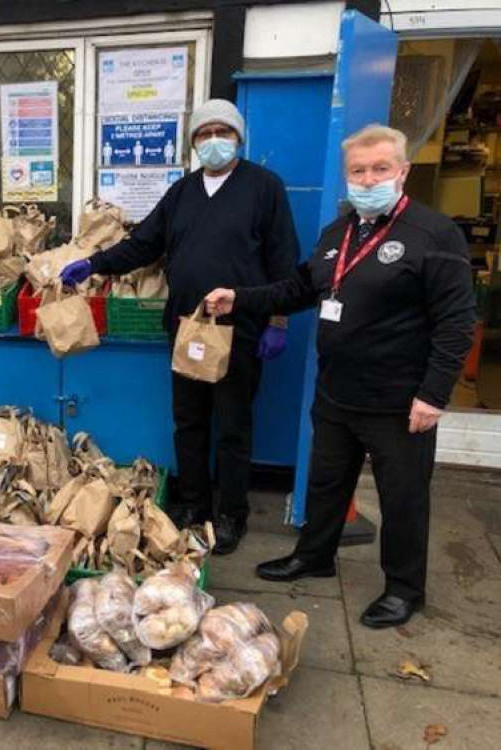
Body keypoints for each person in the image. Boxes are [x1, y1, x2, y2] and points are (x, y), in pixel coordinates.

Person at [204, 124, 476, 628]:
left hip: (399, 399)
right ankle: (314, 556)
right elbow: (298, 289)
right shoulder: (340, 233)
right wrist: (240, 296)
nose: (368, 177)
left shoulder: (434, 235)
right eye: (358, 170)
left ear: (402, 172)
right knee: (327, 483)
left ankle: (403, 588)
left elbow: (457, 323)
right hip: (337, 392)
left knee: (404, 497)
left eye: (379, 169)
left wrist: (434, 394)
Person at [61, 99, 299, 555]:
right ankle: (193, 503)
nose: (213, 141)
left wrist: (278, 320)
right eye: (204, 134)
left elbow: (283, 259)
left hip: (239, 329)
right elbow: (144, 244)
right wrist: (93, 263)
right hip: (187, 331)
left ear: (238, 137)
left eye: (221, 132)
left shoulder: (264, 188)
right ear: (193, 142)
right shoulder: (182, 193)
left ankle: (231, 514)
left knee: (233, 426)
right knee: (188, 421)